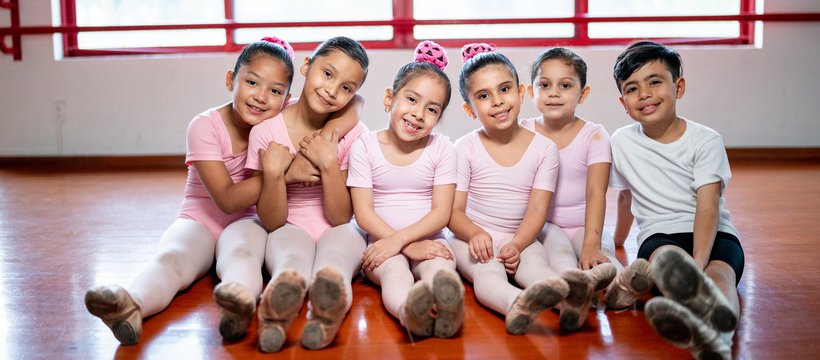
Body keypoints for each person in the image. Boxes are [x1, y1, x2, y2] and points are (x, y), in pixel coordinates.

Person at [84, 37, 295, 345]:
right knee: (172, 259)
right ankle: (131, 305)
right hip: (200, 216)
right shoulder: (204, 125)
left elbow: (341, 108)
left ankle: (239, 306)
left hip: (249, 220)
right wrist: (282, 174)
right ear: (230, 80)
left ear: (288, 100)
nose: (262, 97)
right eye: (252, 82)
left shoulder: (280, 128)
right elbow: (225, 199)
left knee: (242, 257)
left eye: (275, 91)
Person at [610, 41, 744, 359]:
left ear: (678, 86)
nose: (644, 94)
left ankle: (719, 330)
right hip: (661, 236)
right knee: (667, 261)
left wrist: (699, 262)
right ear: (623, 102)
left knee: (719, 275)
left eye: (655, 82)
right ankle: (699, 315)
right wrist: (617, 241)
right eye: (632, 88)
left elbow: (708, 205)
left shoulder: (706, 140)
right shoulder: (621, 141)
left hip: (716, 234)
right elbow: (625, 198)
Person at [244, 36, 370, 353]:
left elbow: (341, 216)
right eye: (327, 74)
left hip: (339, 226)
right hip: (289, 223)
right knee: (291, 263)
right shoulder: (266, 131)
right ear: (306, 66)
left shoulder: (355, 133)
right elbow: (272, 220)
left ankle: (326, 319)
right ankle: (274, 316)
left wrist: (328, 164)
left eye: (347, 88)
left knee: (335, 264)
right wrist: (276, 174)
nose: (332, 90)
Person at [521, 47, 650, 331]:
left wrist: (591, 242)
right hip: (546, 225)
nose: (554, 93)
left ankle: (621, 285)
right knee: (559, 255)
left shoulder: (595, 136)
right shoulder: (524, 131)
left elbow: (596, 193)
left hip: (585, 222)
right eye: (544, 85)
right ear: (531, 92)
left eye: (565, 85)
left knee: (601, 254)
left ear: (583, 94)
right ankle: (579, 293)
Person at [447, 43, 570, 335]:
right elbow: (453, 211)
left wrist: (518, 243)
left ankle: (569, 302)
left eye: (504, 90)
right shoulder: (465, 148)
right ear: (469, 109)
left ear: (521, 90)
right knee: (487, 274)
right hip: (473, 238)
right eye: (484, 96)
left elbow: (538, 208)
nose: (498, 101)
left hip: (523, 234)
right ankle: (515, 303)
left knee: (535, 269)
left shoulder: (544, 149)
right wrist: (475, 233)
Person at [347, 40, 464, 339]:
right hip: (381, 243)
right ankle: (409, 313)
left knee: (441, 269)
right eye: (411, 100)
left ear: (439, 117)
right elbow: (363, 212)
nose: (418, 114)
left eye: (432, 109)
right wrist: (403, 245)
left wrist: (412, 244)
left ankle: (447, 309)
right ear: (390, 98)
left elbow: (441, 214)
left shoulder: (443, 149)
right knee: (395, 273)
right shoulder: (365, 145)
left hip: (432, 238)